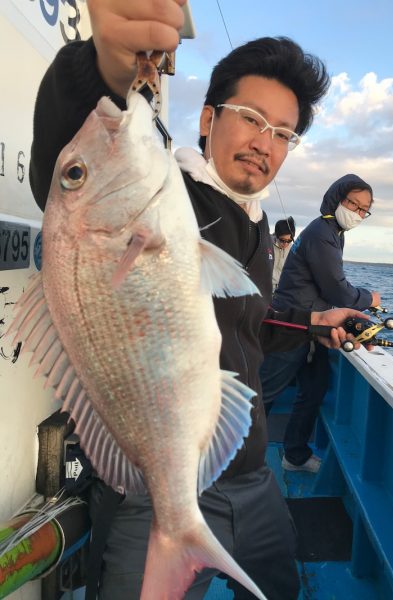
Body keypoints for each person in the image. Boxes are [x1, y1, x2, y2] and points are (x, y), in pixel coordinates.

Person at [29, 2, 368, 598]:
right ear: (207, 119)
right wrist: (103, 64)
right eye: (251, 118)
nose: (265, 143)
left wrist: (316, 320)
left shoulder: (258, 226)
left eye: (283, 133)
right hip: (155, 485)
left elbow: (250, 322)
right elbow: (65, 161)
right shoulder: (172, 197)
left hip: (253, 471)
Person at [260, 174, 381, 473]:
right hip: (293, 325)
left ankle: (295, 455)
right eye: (353, 203)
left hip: (315, 328)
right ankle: (236, 460)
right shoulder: (321, 232)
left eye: (364, 209)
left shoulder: (334, 232)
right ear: (337, 197)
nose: (357, 212)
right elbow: (337, 290)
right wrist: (370, 298)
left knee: (315, 389)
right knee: (264, 394)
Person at [271, 217, 296, 292]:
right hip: (265, 289)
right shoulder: (266, 244)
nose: (285, 244)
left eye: (289, 241)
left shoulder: (293, 249)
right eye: (282, 240)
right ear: (276, 235)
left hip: (282, 291)